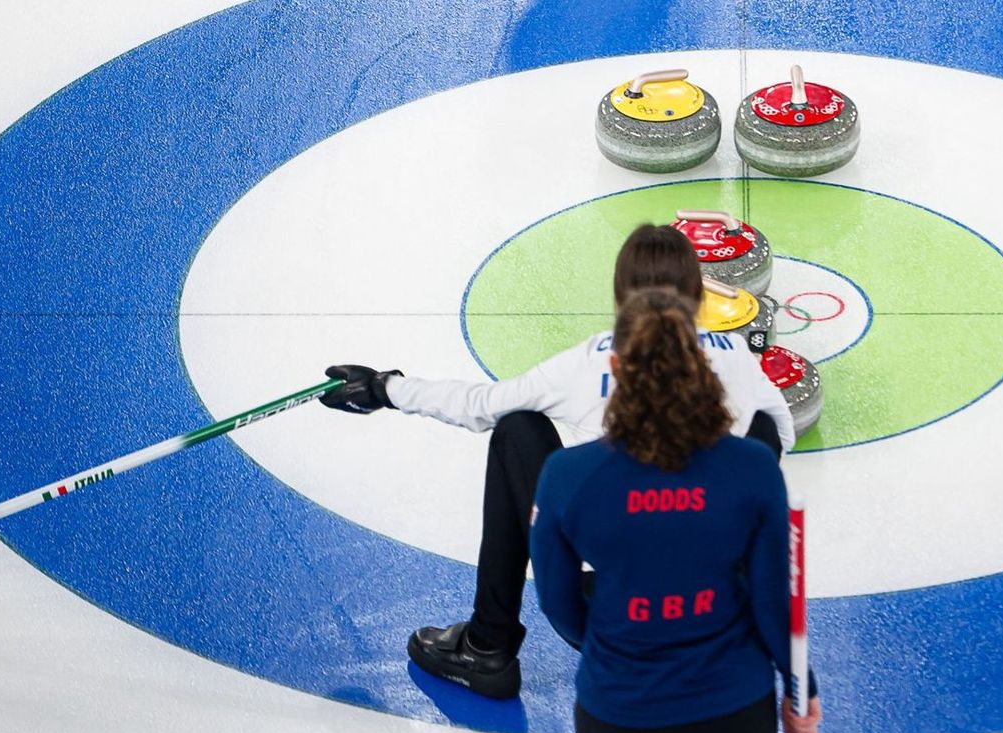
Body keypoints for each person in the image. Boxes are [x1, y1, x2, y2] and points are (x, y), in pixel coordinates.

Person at [319, 223, 792, 699]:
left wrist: (386, 388)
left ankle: (487, 647)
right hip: (716, 613)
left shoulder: (591, 361)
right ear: (699, 291)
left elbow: (482, 405)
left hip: (611, 614)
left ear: (619, 295)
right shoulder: (734, 357)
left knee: (516, 429)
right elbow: (780, 435)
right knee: (762, 434)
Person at [532, 288, 821, 733]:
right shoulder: (750, 468)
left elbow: (558, 603)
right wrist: (801, 692)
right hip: (729, 709)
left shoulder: (566, 476)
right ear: (703, 368)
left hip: (619, 711)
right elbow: (775, 603)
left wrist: (616, 643)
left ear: (615, 370)